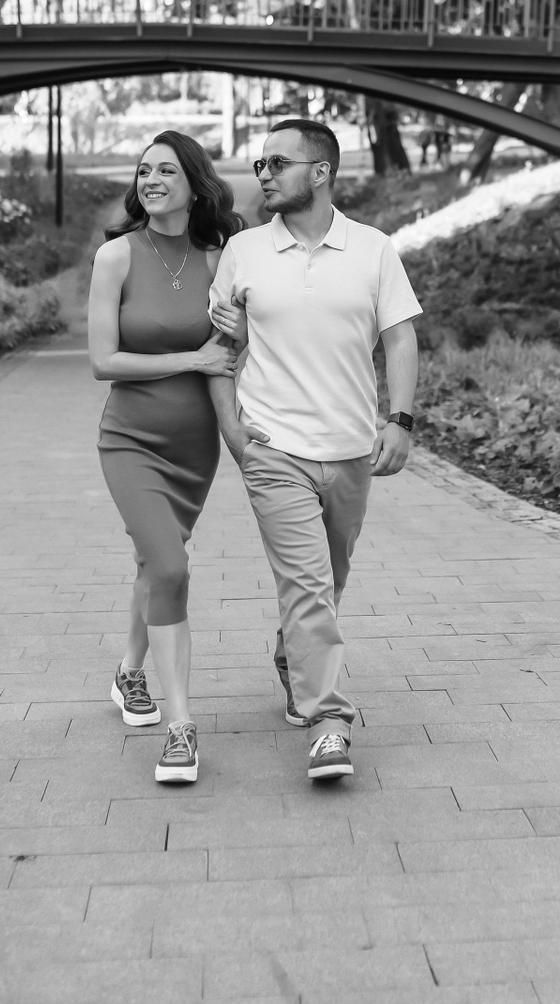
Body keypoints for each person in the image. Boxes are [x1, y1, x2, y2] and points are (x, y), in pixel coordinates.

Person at [208, 118, 422, 782]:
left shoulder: (373, 248)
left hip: (352, 447)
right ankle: (330, 721)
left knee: (328, 581)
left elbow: (401, 337)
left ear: (321, 171)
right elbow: (220, 351)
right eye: (260, 163)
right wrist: (234, 433)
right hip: (275, 448)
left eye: (278, 162)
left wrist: (400, 420)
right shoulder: (244, 251)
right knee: (307, 584)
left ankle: (293, 655)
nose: (263, 174)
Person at [89, 130, 244, 785]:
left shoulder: (218, 258)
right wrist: (193, 358)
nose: (151, 180)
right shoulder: (116, 257)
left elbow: (235, 351)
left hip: (194, 447)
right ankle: (181, 729)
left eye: (166, 171)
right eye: (143, 170)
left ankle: (130, 671)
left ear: (194, 184)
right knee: (172, 566)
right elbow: (104, 360)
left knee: (156, 562)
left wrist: (237, 339)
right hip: (131, 439)